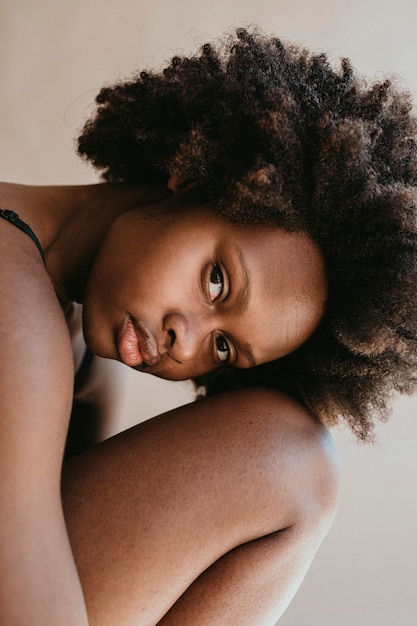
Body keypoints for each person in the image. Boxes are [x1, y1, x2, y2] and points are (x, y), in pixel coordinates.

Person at [0, 27, 416, 625]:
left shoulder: (69, 329)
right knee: (295, 463)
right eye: (217, 280)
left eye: (225, 349)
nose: (184, 340)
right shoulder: (19, 312)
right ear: (190, 179)